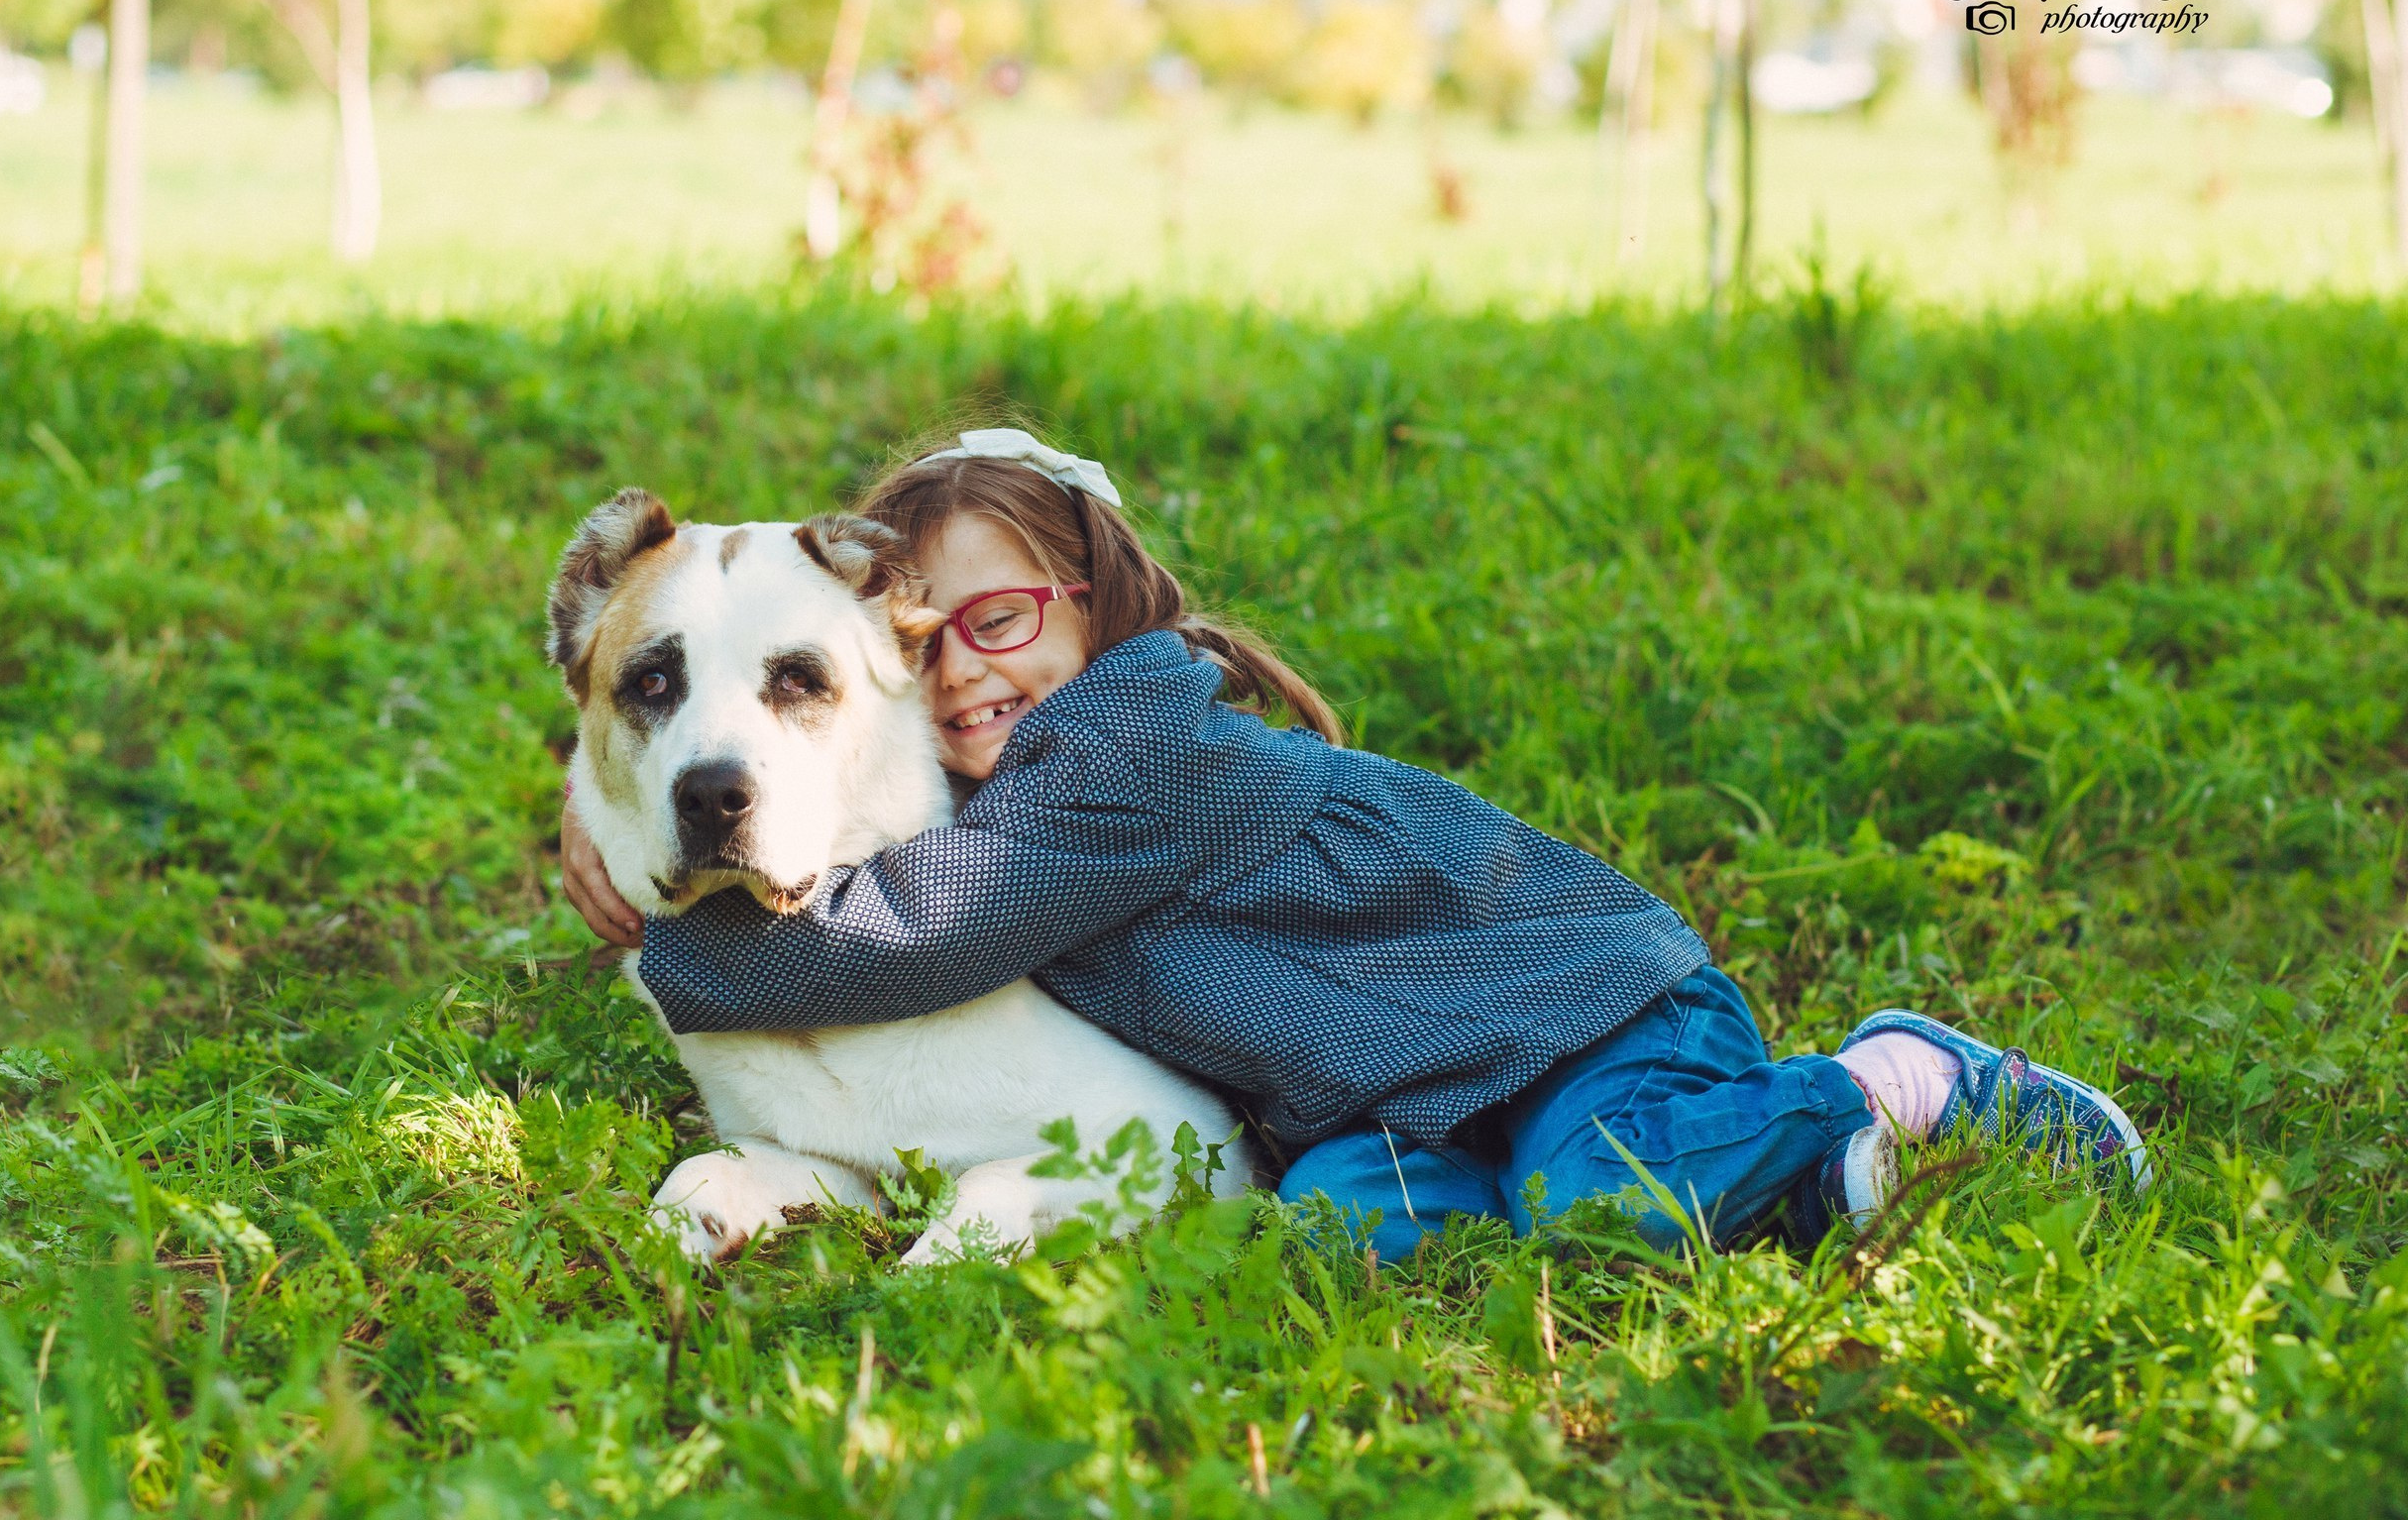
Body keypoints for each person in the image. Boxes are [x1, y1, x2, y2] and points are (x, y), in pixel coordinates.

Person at [559, 429, 2149, 1260]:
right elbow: (756, 761)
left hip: (1566, 1017)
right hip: (1388, 1098)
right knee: (1334, 1231)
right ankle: (1774, 1173)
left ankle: (1893, 1087)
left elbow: (923, 928)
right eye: (930, 631)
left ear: (1101, 603)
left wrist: (663, 933)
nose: (964, 664)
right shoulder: (995, 778)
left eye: (1005, 616)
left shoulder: (1129, 748)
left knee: (1604, 1211)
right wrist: (598, 806)